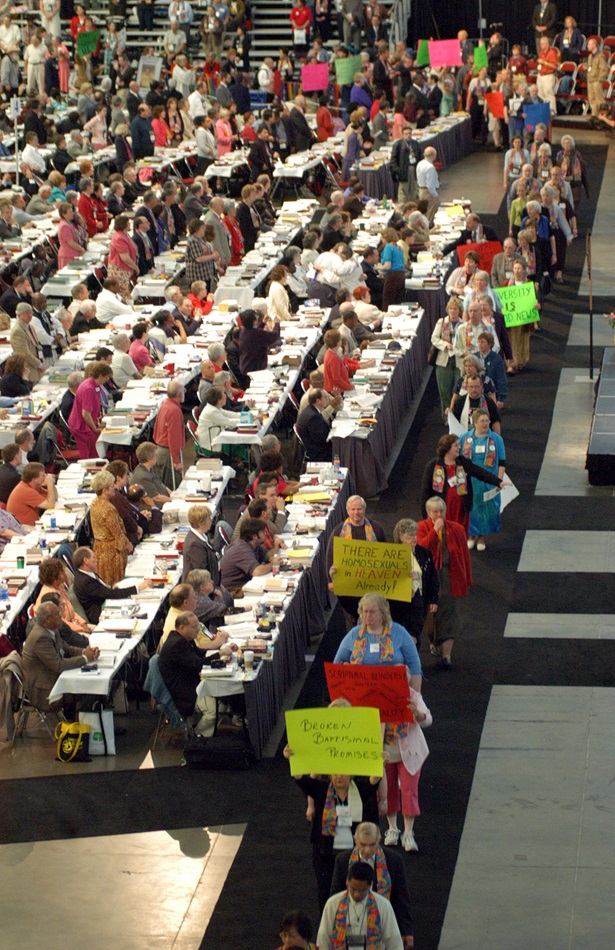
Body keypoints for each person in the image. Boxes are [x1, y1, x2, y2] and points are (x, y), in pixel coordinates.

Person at [330, 823, 414, 947]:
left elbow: (401, 898)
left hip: (382, 922)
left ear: (379, 841)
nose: (367, 850)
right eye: (363, 845)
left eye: (372, 845)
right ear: (355, 840)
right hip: (350, 924)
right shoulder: (342, 860)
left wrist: (406, 931)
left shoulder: (394, 860)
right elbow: (336, 896)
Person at [417, 497, 473, 668]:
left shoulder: (457, 529)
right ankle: (433, 642)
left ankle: (446, 656)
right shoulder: (420, 528)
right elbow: (421, 549)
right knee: (430, 615)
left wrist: (467, 579)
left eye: (442, 511)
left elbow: (464, 556)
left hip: (449, 578)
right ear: (428, 513)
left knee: (450, 615)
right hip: (428, 578)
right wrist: (434, 531)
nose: (439, 514)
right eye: (435, 511)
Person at [420, 433, 504, 538]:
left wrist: (498, 481)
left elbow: (480, 472)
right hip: (443, 510)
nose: (459, 447)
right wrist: (425, 516)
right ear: (447, 448)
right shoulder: (433, 466)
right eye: (456, 445)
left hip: (461, 508)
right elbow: (425, 492)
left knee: (460, 535)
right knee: (445, 537)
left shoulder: (462, 462)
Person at [22, 602, 99, 714]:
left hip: (54, 678)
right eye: (57, 615)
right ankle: (83, 724)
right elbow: (58, 665)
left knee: (91, 683)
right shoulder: (40, 637)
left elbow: (67, 648)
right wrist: (85, 658)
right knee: (90, 688)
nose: (61, 617)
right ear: (47, 620)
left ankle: (86, 720)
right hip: (45, 692)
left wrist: (86, 651)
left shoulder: (52, 629)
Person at [158, 611, 228, 732]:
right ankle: (198, 737)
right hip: (185, 692)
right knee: (214, 711)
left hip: (189, 682)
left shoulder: (184, 638)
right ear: (182, 627)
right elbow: (197, 664)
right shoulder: (177, 644)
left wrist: (220, 651)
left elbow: (198, 654)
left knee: (223, 699)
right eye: (194, 627)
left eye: (198, 626)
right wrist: (220, 653)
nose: (197, 630)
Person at [317, 861, 403, 949]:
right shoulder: (333, 903)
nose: (356, 894)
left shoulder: (383, 905)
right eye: (353, 889)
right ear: (348, 882)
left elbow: (394, 941)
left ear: (369, 886)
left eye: (362, 890)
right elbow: (323, 937)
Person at [459, 408, 507, 551]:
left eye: (487, 421)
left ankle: (481, 536)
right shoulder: (464, 438)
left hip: (488, 481)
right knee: (471, 507)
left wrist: (499, 480)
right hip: (470, 481)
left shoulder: (497, 440)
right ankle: (471, 535)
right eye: (482, 421)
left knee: (485, 509)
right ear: (474, 423)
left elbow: (502, 462)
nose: (485, 424)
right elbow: (460, 460)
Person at [390, 518, 438, 648]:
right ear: (401, 536)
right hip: (398, 604)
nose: (414, 538)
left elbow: (433, 577)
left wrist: (434, 599)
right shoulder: (391, 554)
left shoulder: (424, 553)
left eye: (415, 534)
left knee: (415, 636)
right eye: (410, 535)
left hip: (419, 602)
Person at [72, 547, 149, 624]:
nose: (97, 560)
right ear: (86, 560)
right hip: (100, 614)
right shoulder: (85, 581)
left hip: (107, 602)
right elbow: (110, 594)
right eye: (94, 557)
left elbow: (106, 590)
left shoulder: (88, 573)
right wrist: (137, 588)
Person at [89, 469, 133, 585]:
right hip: (111, 554)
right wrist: (128, 545)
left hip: (99, 549)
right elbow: (117, 533)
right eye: (111, 485)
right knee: (114, 584)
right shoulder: (108, 509)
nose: (114, 487)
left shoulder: (94, 503)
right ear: (104, 490)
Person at [35, 558, 92, 636]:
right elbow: (60, 622)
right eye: (62, 573)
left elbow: (71, 611)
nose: (65, 575)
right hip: (63, 632)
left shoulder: (60, 586)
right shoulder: (49, 596)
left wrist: (83, 624)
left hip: (73, 624)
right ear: (54, 578)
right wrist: (81, 629)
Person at [68, 362, 112, 458]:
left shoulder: (94, 385)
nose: (107, 380)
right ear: (100, 376)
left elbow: (95, 406)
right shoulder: (89, 389)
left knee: (95, 448)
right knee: (90, 453)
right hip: (81, 426)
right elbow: (86, 414)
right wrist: (94, 429)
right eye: (107, 377)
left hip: (87, 422)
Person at [431, 296, 463, 418]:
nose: (453, 311)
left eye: (455, 309)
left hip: (458, 361)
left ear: (459, 310)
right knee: (444, 390)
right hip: (444, 360)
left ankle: (457, 415)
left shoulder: (463, 324)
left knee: (458, 390)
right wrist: (445, 345)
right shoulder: (442, 322)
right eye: (450, 309)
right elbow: (434, 338)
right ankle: (446, 416)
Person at [219, 518, 273, 592]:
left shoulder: (253, 544)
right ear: (254, 536)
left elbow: (267, 555)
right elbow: (257, 571)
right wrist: (272, 564)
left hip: (244, 585)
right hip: (233, 591)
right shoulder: (241, 549)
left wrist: (273, 559)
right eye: (263, 532)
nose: (265, 534)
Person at [153, 381, 186, 489]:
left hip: (161, 450)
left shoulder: (165, 404)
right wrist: (176, 461)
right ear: (180, 394)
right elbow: (174, 438)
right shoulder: (174, 410)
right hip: (168, 453)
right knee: (173, 487)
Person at [181, 504, 220, 583]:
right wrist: (214, 589)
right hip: (199, 589)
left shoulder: (203, 537)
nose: (211, 520)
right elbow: (201, 573)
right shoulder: (195, 544)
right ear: (201, 523)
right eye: (208, 519)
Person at [296, 390, 332, 463]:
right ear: (318, 401)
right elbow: (321, 439)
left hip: (315, 446)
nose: (327, 399)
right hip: (318, 452)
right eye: (325, 397)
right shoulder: (313, 417)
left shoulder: (311, 409)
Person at [416, 146, 439, 225]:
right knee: (430, 212)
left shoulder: (420, 163)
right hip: (429, 192)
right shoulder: (430, 167)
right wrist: (435, 195)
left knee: (423, 211)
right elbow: (430, 184)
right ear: (433, 156)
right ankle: (428, 227)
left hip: (421, 190)